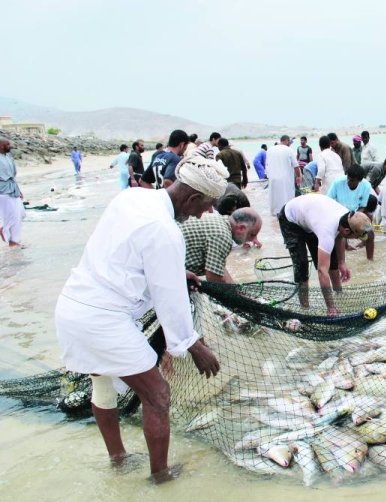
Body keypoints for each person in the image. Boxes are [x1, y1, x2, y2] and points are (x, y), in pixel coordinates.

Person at [55, 155, 228, 483]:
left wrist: (177, 272)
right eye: (206, 206)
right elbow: (171, 302)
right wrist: (194, 346)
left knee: (102, 383)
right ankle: (160, 478)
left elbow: (127, 255)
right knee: (158, 395)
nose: (204, 213)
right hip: (103, 319)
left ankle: (118, 459)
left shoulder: (132, 195)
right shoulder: (164, 230)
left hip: (73, 306)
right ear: (192, 198)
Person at [278, 194, 372, 314]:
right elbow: (322, 271)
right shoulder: (327, 230)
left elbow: (340, 236)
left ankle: (339, 295)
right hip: (290, 219)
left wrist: (342, 262)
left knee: (333, 261)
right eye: (356, 236)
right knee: (302, 265)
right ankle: (305, 309)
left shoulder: (349, 217)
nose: (356, 239)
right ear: (348, 230)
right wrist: (330, 307)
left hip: (311, 216)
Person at [181, 207, 262, 283]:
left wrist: (234, 285)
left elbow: (217, 268)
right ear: (241, 228)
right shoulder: (223, 235)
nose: (252, 240)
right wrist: (237, 295)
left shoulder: (219, 220)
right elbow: (213, 277)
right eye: (252, 235)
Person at [327, 165, 375, 260]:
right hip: (338, 213)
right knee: (337, 235)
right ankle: (343, 253)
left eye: (352, 180)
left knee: (370, 234)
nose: (349, 181)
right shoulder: (338, 182)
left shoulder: (366, 185)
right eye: (348, 178)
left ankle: (370, 259)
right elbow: (328, 201)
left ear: (359, 181)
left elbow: (363, 206)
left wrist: (354, 219)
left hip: (355, 214)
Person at [266, 135, 300, 216]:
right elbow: (296, 166)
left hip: (272, 178)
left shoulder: (270, 149)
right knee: (286, 198)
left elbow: (267, 165)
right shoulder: (289, 150)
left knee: (274, 199)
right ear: (287, 141)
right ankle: (285, 215)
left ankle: (275, 216)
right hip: (285, 179)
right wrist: (298, 176)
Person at [0, 137, 24, 248]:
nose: (11, 146)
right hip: (3, 190)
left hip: (13, 188)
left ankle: (11, 236)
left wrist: (18, 190)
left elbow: (13, 175)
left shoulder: (9, 156)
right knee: (12, 215)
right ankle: (12, 240)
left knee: (21, 213)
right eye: (8, 144)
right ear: (1, 146)